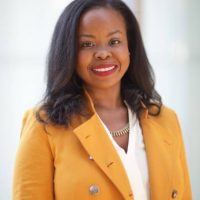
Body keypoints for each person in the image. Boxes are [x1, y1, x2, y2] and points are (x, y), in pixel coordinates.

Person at [13, 0, 192, 199]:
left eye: (114, 41)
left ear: (130, 47)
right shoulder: (44, 126)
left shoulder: (166, 120)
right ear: (69, 53)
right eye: (87, 44)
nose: (103, 53)